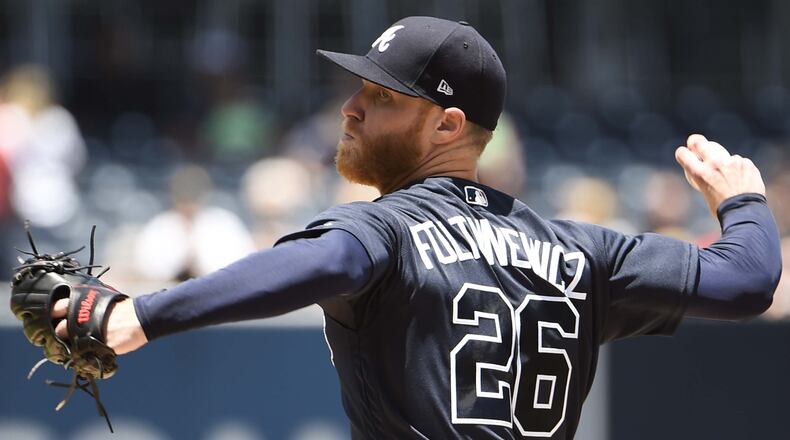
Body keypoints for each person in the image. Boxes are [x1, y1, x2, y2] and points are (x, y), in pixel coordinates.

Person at [50, 17, 781, 439]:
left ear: (447, 124)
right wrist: (744, 202)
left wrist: (142, 315)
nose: (351, 109)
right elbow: (746, 280)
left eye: (379, 96)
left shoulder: (388, 230)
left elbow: (322, 264)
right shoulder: (582, 250)